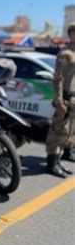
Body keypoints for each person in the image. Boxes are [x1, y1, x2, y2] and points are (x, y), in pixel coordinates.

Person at [45, 22, 75, 178]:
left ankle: (60, 159)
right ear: (71, 34)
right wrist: (59, 102)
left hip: (73, 100)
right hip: (65, 99)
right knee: (57, 132)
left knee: (69, 132)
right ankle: (52, 163)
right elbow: (58, 79)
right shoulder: (66, 54)